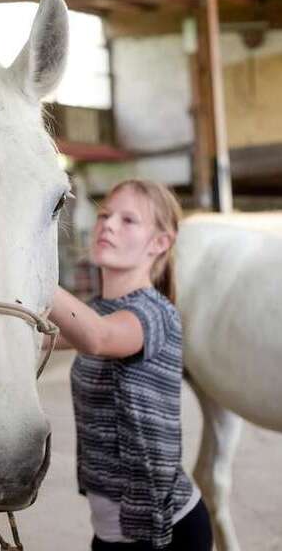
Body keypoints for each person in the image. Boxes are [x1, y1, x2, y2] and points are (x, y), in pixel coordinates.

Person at [49, 179, 213, 550]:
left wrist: (33, 270)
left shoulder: (155, 312)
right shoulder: (96, 309)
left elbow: (99, 337)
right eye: (105, 215)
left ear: (160, 243)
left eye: (128, 220)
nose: (108, 224)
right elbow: (36, 336)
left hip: (168, 531)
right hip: (109, 533)